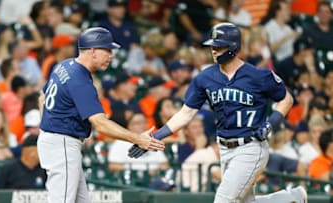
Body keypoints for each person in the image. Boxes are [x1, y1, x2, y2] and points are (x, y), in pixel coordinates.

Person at [128, 23, 307, 203]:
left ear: (234, 47)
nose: (214, 50)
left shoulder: (258, 75)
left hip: (251, 146)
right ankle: (291, 199)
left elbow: (286, 99)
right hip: (224, 148)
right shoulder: (204, 78)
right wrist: (156, 136)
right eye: (212, 46)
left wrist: (271, 123)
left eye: (219, 46)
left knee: (223, 200)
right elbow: (186, 114)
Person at [37, 27, 165, 203]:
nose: (111, 56)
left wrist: (47, 129)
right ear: (92, 51)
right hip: (62, 143)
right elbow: (100, 123)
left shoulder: (65, 65)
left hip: (55, 140)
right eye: (107, 50)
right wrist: (137, 138)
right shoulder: (80, 79)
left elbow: (42, 98)